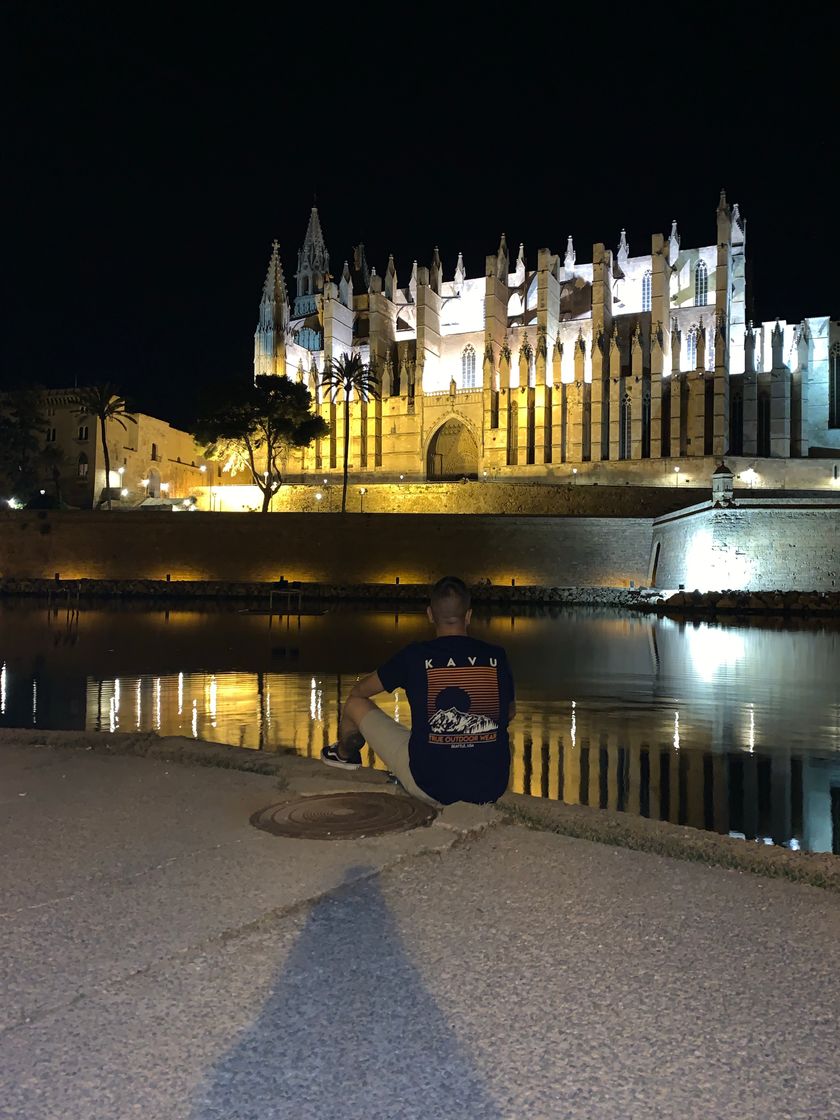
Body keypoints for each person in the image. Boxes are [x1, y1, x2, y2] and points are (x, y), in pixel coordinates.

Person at [321, 576, 516, 806]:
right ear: (469, 615)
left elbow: (361, 690)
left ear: (430, 615)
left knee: (354, 702)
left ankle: (344, 754)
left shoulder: (414, 656)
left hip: (431, 786)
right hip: (491, 786)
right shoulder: (496, 656)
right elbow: (509, 712)